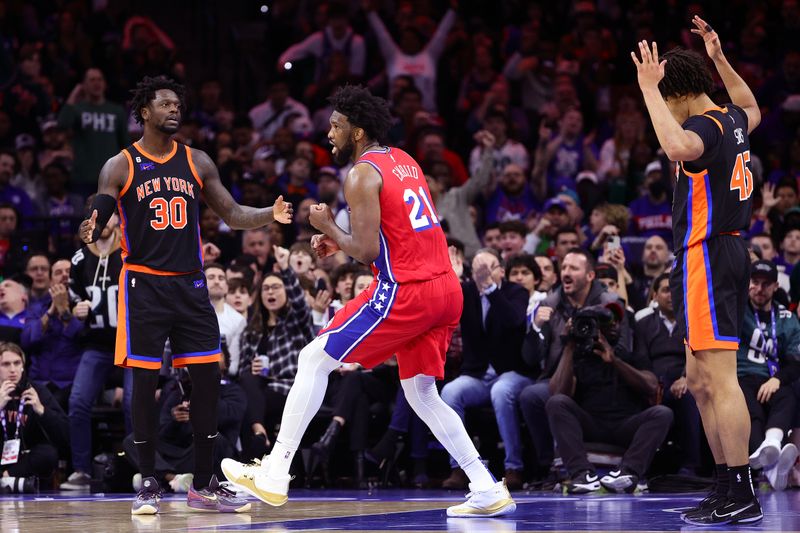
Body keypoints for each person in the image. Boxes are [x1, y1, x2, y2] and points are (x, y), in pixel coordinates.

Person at [221, 85, 515, 518]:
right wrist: (337, 241)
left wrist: (325, 225)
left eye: (336, 127)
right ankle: (485, 486)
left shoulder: (360, 173)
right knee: (423, 395)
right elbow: (390, 233)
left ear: (357, 131)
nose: (329, 135)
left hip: (407, 290)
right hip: (444, 287)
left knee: (313, 358)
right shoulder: (404, 161)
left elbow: (369, 252)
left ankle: (275, 470)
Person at [78, 75, 293, 515]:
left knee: (209, 380)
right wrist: (94, 222)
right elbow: (101, 202)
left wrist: (268, 214)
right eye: (165, 104)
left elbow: (231, 213)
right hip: (143, 284)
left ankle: (205, 483)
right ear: (144, 112)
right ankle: (149, 484)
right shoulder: (121, 164)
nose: (174, 110)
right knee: (143, 380)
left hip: (191, 283)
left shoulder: (197, 161)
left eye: (178, 104)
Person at [633, 16, 762, 525]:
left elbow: (675, 147)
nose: (663, 111)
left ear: (680, 95)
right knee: (700, 381)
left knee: (721, 380)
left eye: (666, 100)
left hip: (708, 254)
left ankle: (744, 490)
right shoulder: (732, 118)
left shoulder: (703, 128)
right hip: (709, 257)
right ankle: (725, 485)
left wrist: (647, 88)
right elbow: (752, 106)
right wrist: (720, 57)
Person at [61, 202, 132, 491]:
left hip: (130, 343)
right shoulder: (78, 259)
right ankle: (80, 470)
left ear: (118, 218)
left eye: (109, 214)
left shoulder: (130, 251)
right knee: (77, 402)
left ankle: (136, 469)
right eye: (95, 216)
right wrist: (75, 309)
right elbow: (72, 300)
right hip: (97, 344)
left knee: (132, 404)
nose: (102, 221)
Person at [738, 260, 800, 491]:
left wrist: (777, 380)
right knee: (749, 409)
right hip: (741, 376)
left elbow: (797, 362)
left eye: (766, 284)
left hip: (770, 378)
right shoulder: (737, 310)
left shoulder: (785, 317)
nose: (759, 289)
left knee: (787, 394)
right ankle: (773, 467)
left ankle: (773, 442)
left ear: (775, 286)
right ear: (747, 284)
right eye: (755, 282)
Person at [0, 342, 69, 493]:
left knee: (48, 454)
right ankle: (11, 482)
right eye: (6, 364)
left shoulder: (36, 391)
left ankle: (5, 479)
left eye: (17, 363)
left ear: (23, 366)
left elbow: (65, 435)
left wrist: (41, 409)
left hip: (24, 459)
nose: (12, 370)